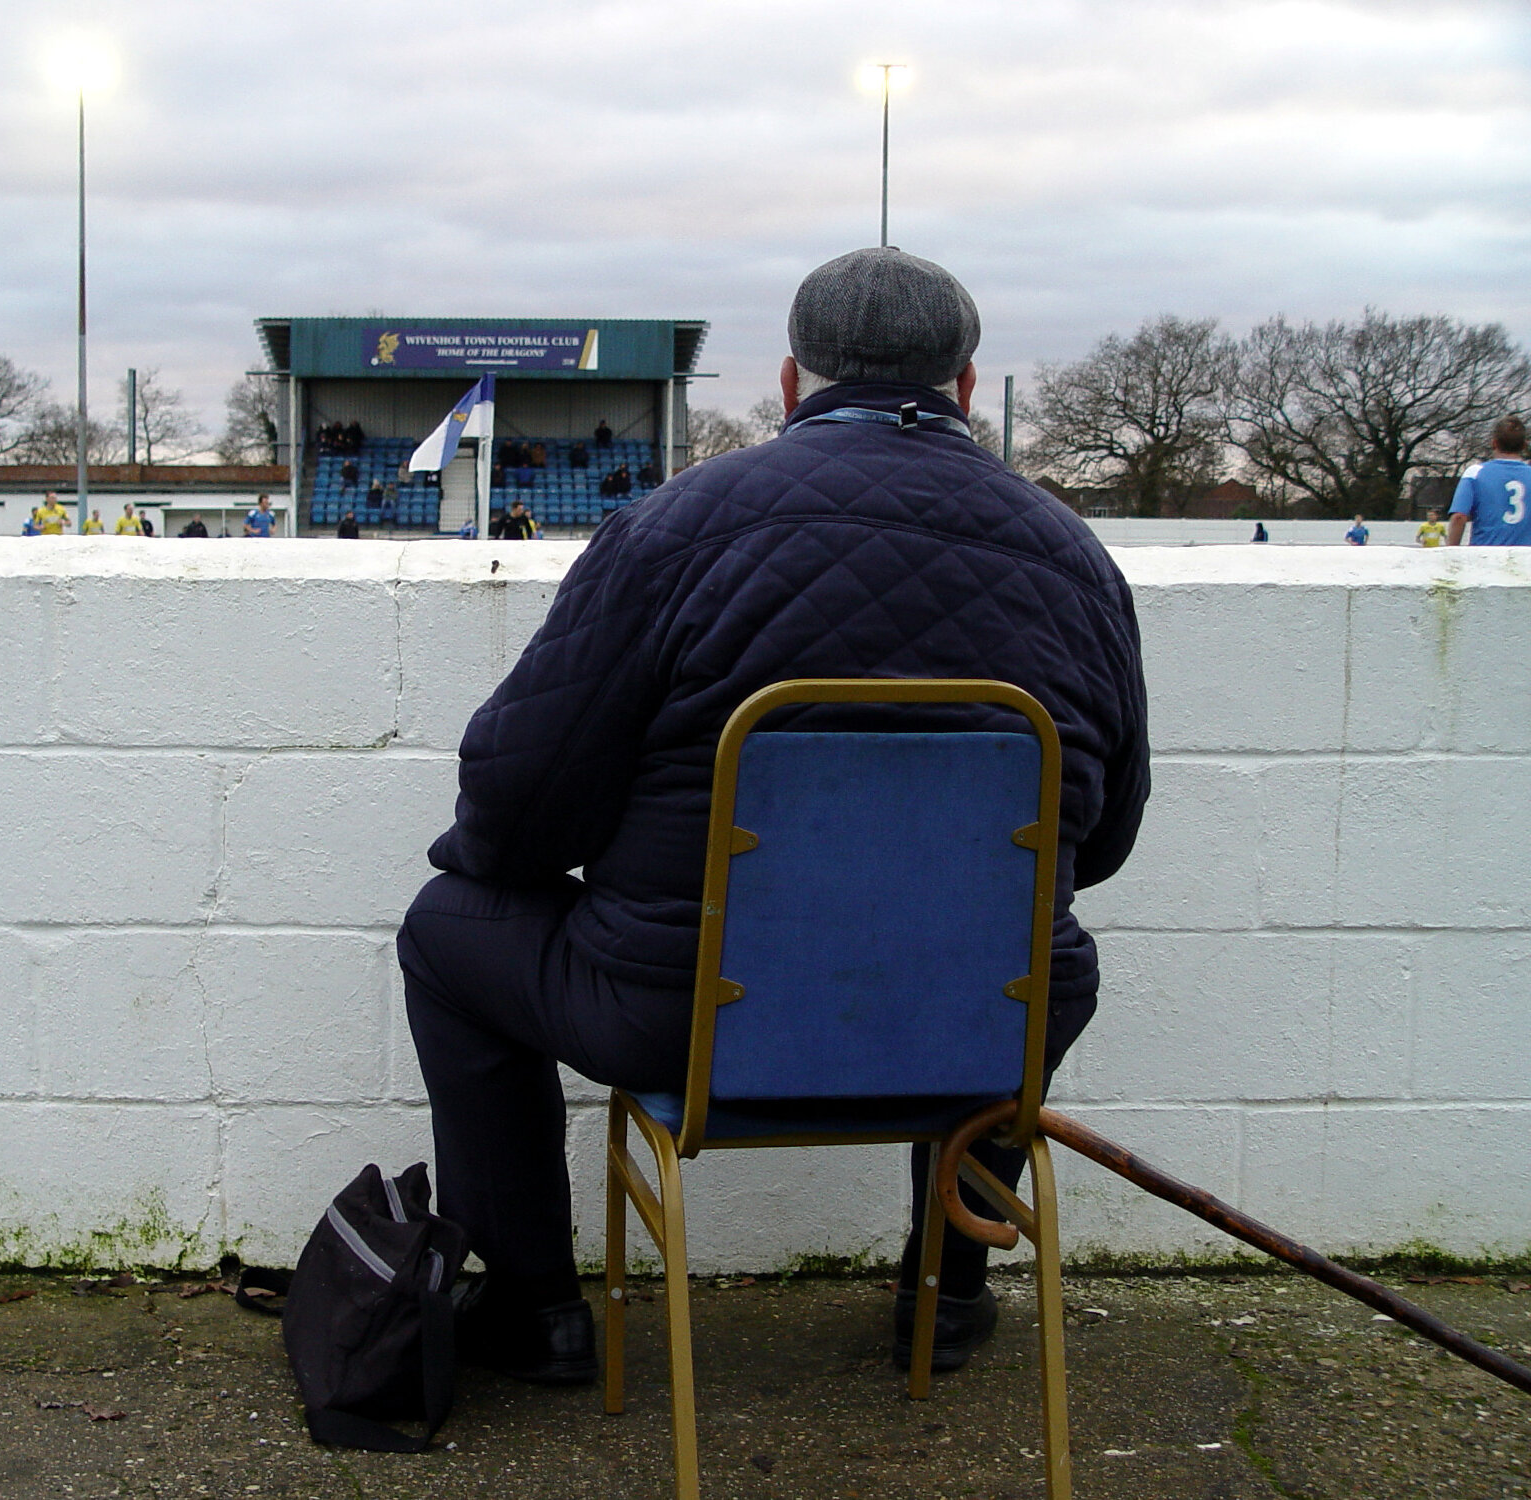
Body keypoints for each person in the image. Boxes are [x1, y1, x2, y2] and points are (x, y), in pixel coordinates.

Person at [397, 247, 1149, 1385]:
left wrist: (496, 863)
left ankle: (537, 1314)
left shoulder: (673, 528)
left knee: (447, 930)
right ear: (963, 383)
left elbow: (521, 791)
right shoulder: (1075, 560)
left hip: (684, 1020)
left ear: (791, 384)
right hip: (981, 1023)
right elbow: (1100, 842)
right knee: (1032, 955)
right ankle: (942, 1301)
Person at [1447, 416, 1531, 546]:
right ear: (1524, 445)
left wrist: (1450, 553)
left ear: (1494, 443)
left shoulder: (1475, 473)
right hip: (1525, 558)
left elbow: (1459, 517)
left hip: (1485, 556)